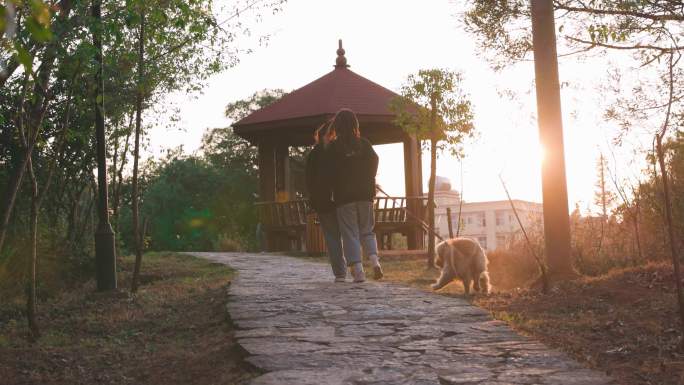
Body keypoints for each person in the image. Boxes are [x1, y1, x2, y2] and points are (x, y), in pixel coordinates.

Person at [327, 108, 383, 283]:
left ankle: (358, 271)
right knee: (367, 231)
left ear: (337, 126)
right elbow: (375, 161)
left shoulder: (334, 148)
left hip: (344, 198)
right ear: (355, 125)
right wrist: (368, 178)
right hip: (365, 195)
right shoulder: (364, 144)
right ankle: (375, 261)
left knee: (350, 233)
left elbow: (330, 173)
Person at [305, 119, 347, 282]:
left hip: (323, 201)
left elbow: (309, 181)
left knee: (332, 237)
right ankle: (357, 268)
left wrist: (313, 200)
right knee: (349, 234)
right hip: (343, 199)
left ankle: (340, 273)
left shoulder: (313, 155)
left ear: (318, 136)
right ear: (330, 135)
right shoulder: (337, 152)